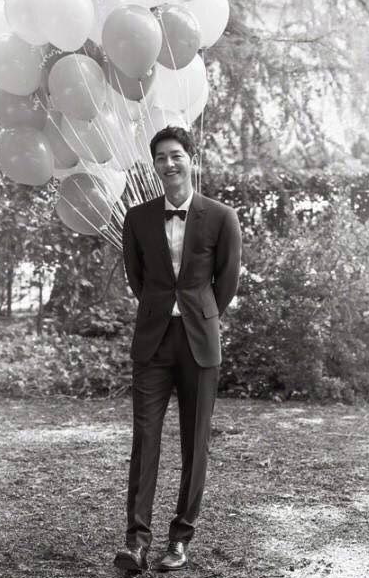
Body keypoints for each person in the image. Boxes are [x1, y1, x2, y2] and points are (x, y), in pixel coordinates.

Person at [114, 126, 242, 572]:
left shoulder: (222, 217)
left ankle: (180, 538)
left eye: (176, 155)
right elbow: (137, 277)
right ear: (154, 166)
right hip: (152, 342)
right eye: (161, 158)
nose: (169, 164)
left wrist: (199, 315)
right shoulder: (137, 218)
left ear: (192, 159)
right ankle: (136, 543)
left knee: (195, 442)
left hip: (198, 343)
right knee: (144, 439)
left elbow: (226, 281)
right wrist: (160, 309)